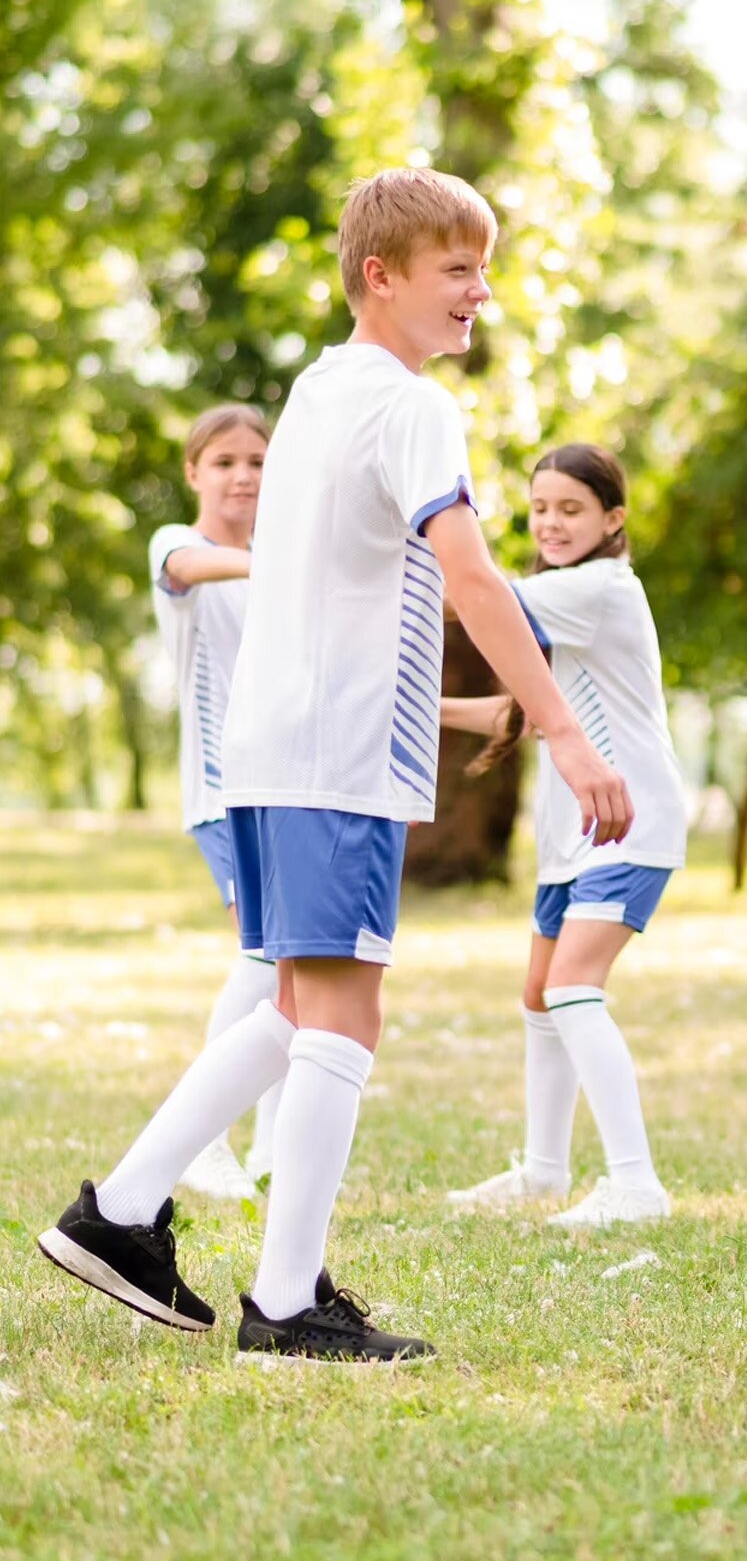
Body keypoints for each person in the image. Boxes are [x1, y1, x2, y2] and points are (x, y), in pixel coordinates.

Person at [38, 166, 633, 1365]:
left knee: (297, 998)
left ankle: (122, 1211)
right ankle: (287, 1300)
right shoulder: (410, 404)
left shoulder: (318, 385)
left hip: (270, 752)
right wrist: (564, 730)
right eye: (456, 270)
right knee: (342, 1019)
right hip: (337, 751)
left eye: (484, 267)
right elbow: (466, 571)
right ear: (384, 276)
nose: (480, 292)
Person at [441, 443, 685, 1227]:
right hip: (571, 838)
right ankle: (544, 1171)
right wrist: (410, 702)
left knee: (573, 988)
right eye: (540, 508)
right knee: (539, 997)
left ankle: (636, 1183)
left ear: (613, 520)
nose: (551, 523)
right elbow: (514, 715)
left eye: (571, 509)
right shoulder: (563, 597)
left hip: (628, 822)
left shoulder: (601, 588)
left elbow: (468, 596)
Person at [147, 405, 283, 1199]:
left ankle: (269, 1147)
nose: (242, 476)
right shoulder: (177, 544)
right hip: (223, 792)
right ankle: (205, 1142)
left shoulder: (276, 558)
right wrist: (287, 567)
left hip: (287, 786)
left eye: (258, 462)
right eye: (225, 461)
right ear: (195, 472)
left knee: (292, 964)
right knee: (263, 958)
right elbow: (192, 571)